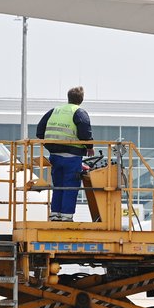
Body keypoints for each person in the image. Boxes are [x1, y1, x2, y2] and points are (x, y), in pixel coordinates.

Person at [35, 86, 93, 221]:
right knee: (70, 186)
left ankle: (55, 214)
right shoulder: (79, 112)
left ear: (68, 98)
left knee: (58, 186)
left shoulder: (54, 111)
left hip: (54, 156)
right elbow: (85, 133)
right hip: (72, 157)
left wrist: (48, 143)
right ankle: (66, 217)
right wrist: (89, 147)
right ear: (81, 99)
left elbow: (39, 131)